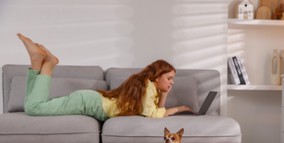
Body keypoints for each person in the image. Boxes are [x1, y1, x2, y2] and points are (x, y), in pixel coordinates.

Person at [17, 33, 192, 121]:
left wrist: (164, 95)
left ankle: (35, 62)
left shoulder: (149, 87)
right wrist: (178, 109)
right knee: (34, 108)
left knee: (29, 105)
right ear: (157, 77)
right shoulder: (148, 87)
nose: (172, 82)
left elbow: (154, 109)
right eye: (169, 78)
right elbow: (152, 114)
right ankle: (48, 64)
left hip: (89, 100)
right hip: (88, 102)